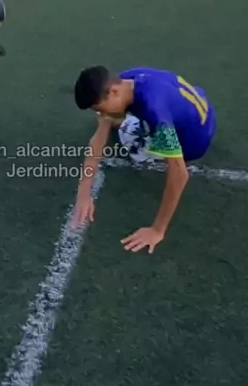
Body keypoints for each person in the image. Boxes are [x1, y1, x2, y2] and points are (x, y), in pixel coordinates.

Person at [72, 65, 216, 253]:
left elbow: (180, 174)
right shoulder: (126, 79)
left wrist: (157, 230)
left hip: (194, 140)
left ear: (114, 92)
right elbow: (99, 139)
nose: (101, 114)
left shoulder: (155, 112)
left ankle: (149, 145)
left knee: (130, 135)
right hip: (198, 104)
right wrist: (84, 191)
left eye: (100, 108)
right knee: (113, 120)